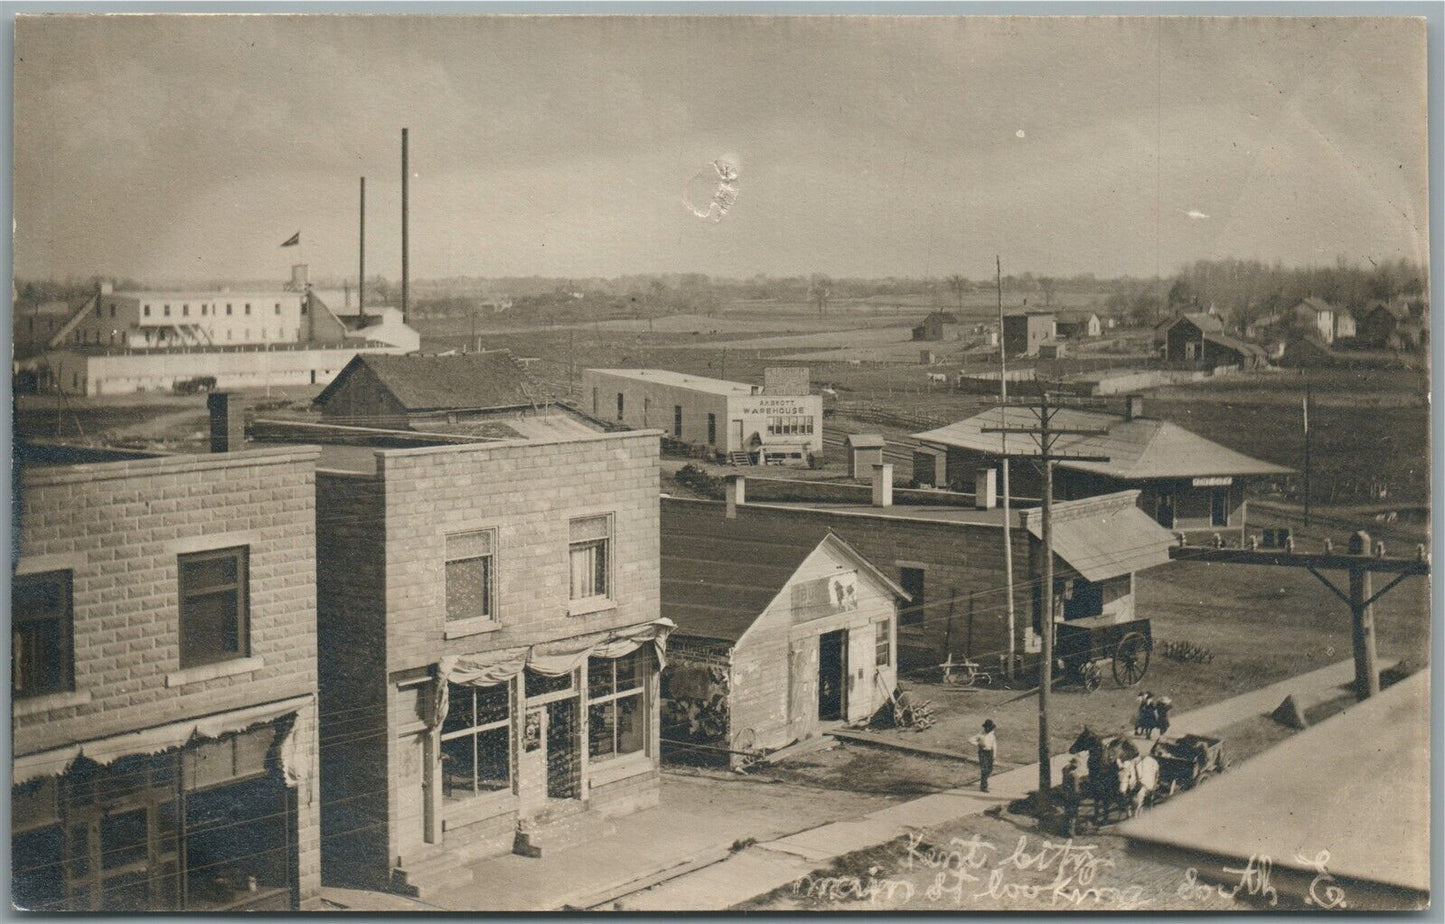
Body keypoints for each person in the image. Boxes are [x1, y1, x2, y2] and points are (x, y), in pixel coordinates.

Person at [971, 719, 997, 792]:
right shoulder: (981, 734)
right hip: (983, 753)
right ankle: (983, 786)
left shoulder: (992, 735)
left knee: (989, 769)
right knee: (984, 769)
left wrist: (994, 755)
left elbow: (994, 746)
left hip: (990, 752)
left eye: (990, 728)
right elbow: (971, 740)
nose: (989, 729)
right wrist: (978, 744)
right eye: (987, 727)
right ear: (985, 727)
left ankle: (984, 782)